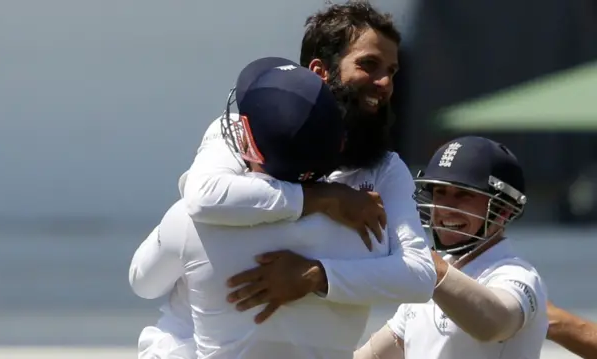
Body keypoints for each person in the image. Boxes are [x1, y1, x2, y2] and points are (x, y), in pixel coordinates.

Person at [132, 1, 436, 357]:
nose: (384, 83)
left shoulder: (384, 167)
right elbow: (204, 197)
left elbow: (419, 275)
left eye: (392, 71)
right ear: (321, 70)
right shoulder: (241, 131)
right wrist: (324, 198)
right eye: (368, 65)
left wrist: (316, 277)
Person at [353, 136, 548, 359]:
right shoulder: (431, 272)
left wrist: (423, 260)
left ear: (503, 209)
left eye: (464, 195)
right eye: (440, 193)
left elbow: (494, 324)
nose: (445, 209)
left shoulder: (518, 275)